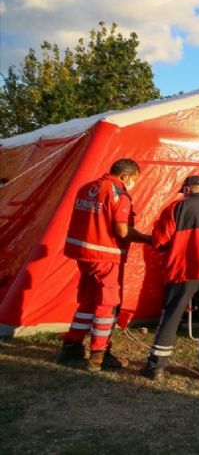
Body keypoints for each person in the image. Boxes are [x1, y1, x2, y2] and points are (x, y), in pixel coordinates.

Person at [55, 158, 152, 371]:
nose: (133, 184)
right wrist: (148, 239)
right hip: (106, 257)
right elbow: (122, 231)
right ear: (124, 176)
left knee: (88, 302)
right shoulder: (118, 193)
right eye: (134, 179)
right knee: (108, 306)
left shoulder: (86, 188)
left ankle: (71, 346)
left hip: (84, 255)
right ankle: (99, 355)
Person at [140, 175, 199, 381]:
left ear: (188, 189)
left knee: (171, 316)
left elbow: (161, 240)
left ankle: (156, 367)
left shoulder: (177, 207)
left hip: (185, 270)